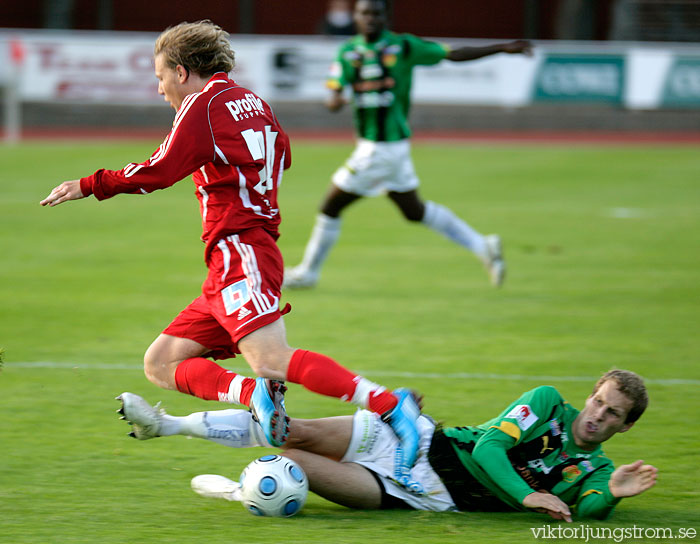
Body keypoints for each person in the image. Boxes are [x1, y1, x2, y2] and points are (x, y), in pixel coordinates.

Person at [39, 20, 424, 492]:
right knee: (162, 362)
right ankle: (251, 394)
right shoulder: (254, 102)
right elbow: (281, 154)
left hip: (240, 249)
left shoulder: (203, 106)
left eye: (160, 77)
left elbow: (159, 170)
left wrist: (88, 184)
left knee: (271, 359)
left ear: (182, 72)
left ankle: (389, 405)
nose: (159, 90)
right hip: (242, 249)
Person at [117, 369, 657, 519]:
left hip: (421, 493)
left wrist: (610, 492)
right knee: (290, 428)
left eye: (612, 414)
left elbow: (583, 510)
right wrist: (527, 496)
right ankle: (165, 424)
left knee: (288, 460)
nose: (597, 415)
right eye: (597, 402)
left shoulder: (596, 467)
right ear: (588, 396)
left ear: (624, 427)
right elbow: (491, 449)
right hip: (415, 437)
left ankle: (245, 491)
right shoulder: (545, 405)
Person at [283, 0, 533, 289]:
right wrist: (335, 99)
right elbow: (334, 92)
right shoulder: (348, 51)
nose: (371, 18)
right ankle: (482, 245)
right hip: (386, 149)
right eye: (365, 13)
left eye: (377, 13)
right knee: (414, 211)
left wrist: (500, 48)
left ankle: (308, 274)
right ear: (356, 17)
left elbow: (453, 54)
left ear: (386, 17)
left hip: (381, 148)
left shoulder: (403, 47)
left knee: (330, 205)